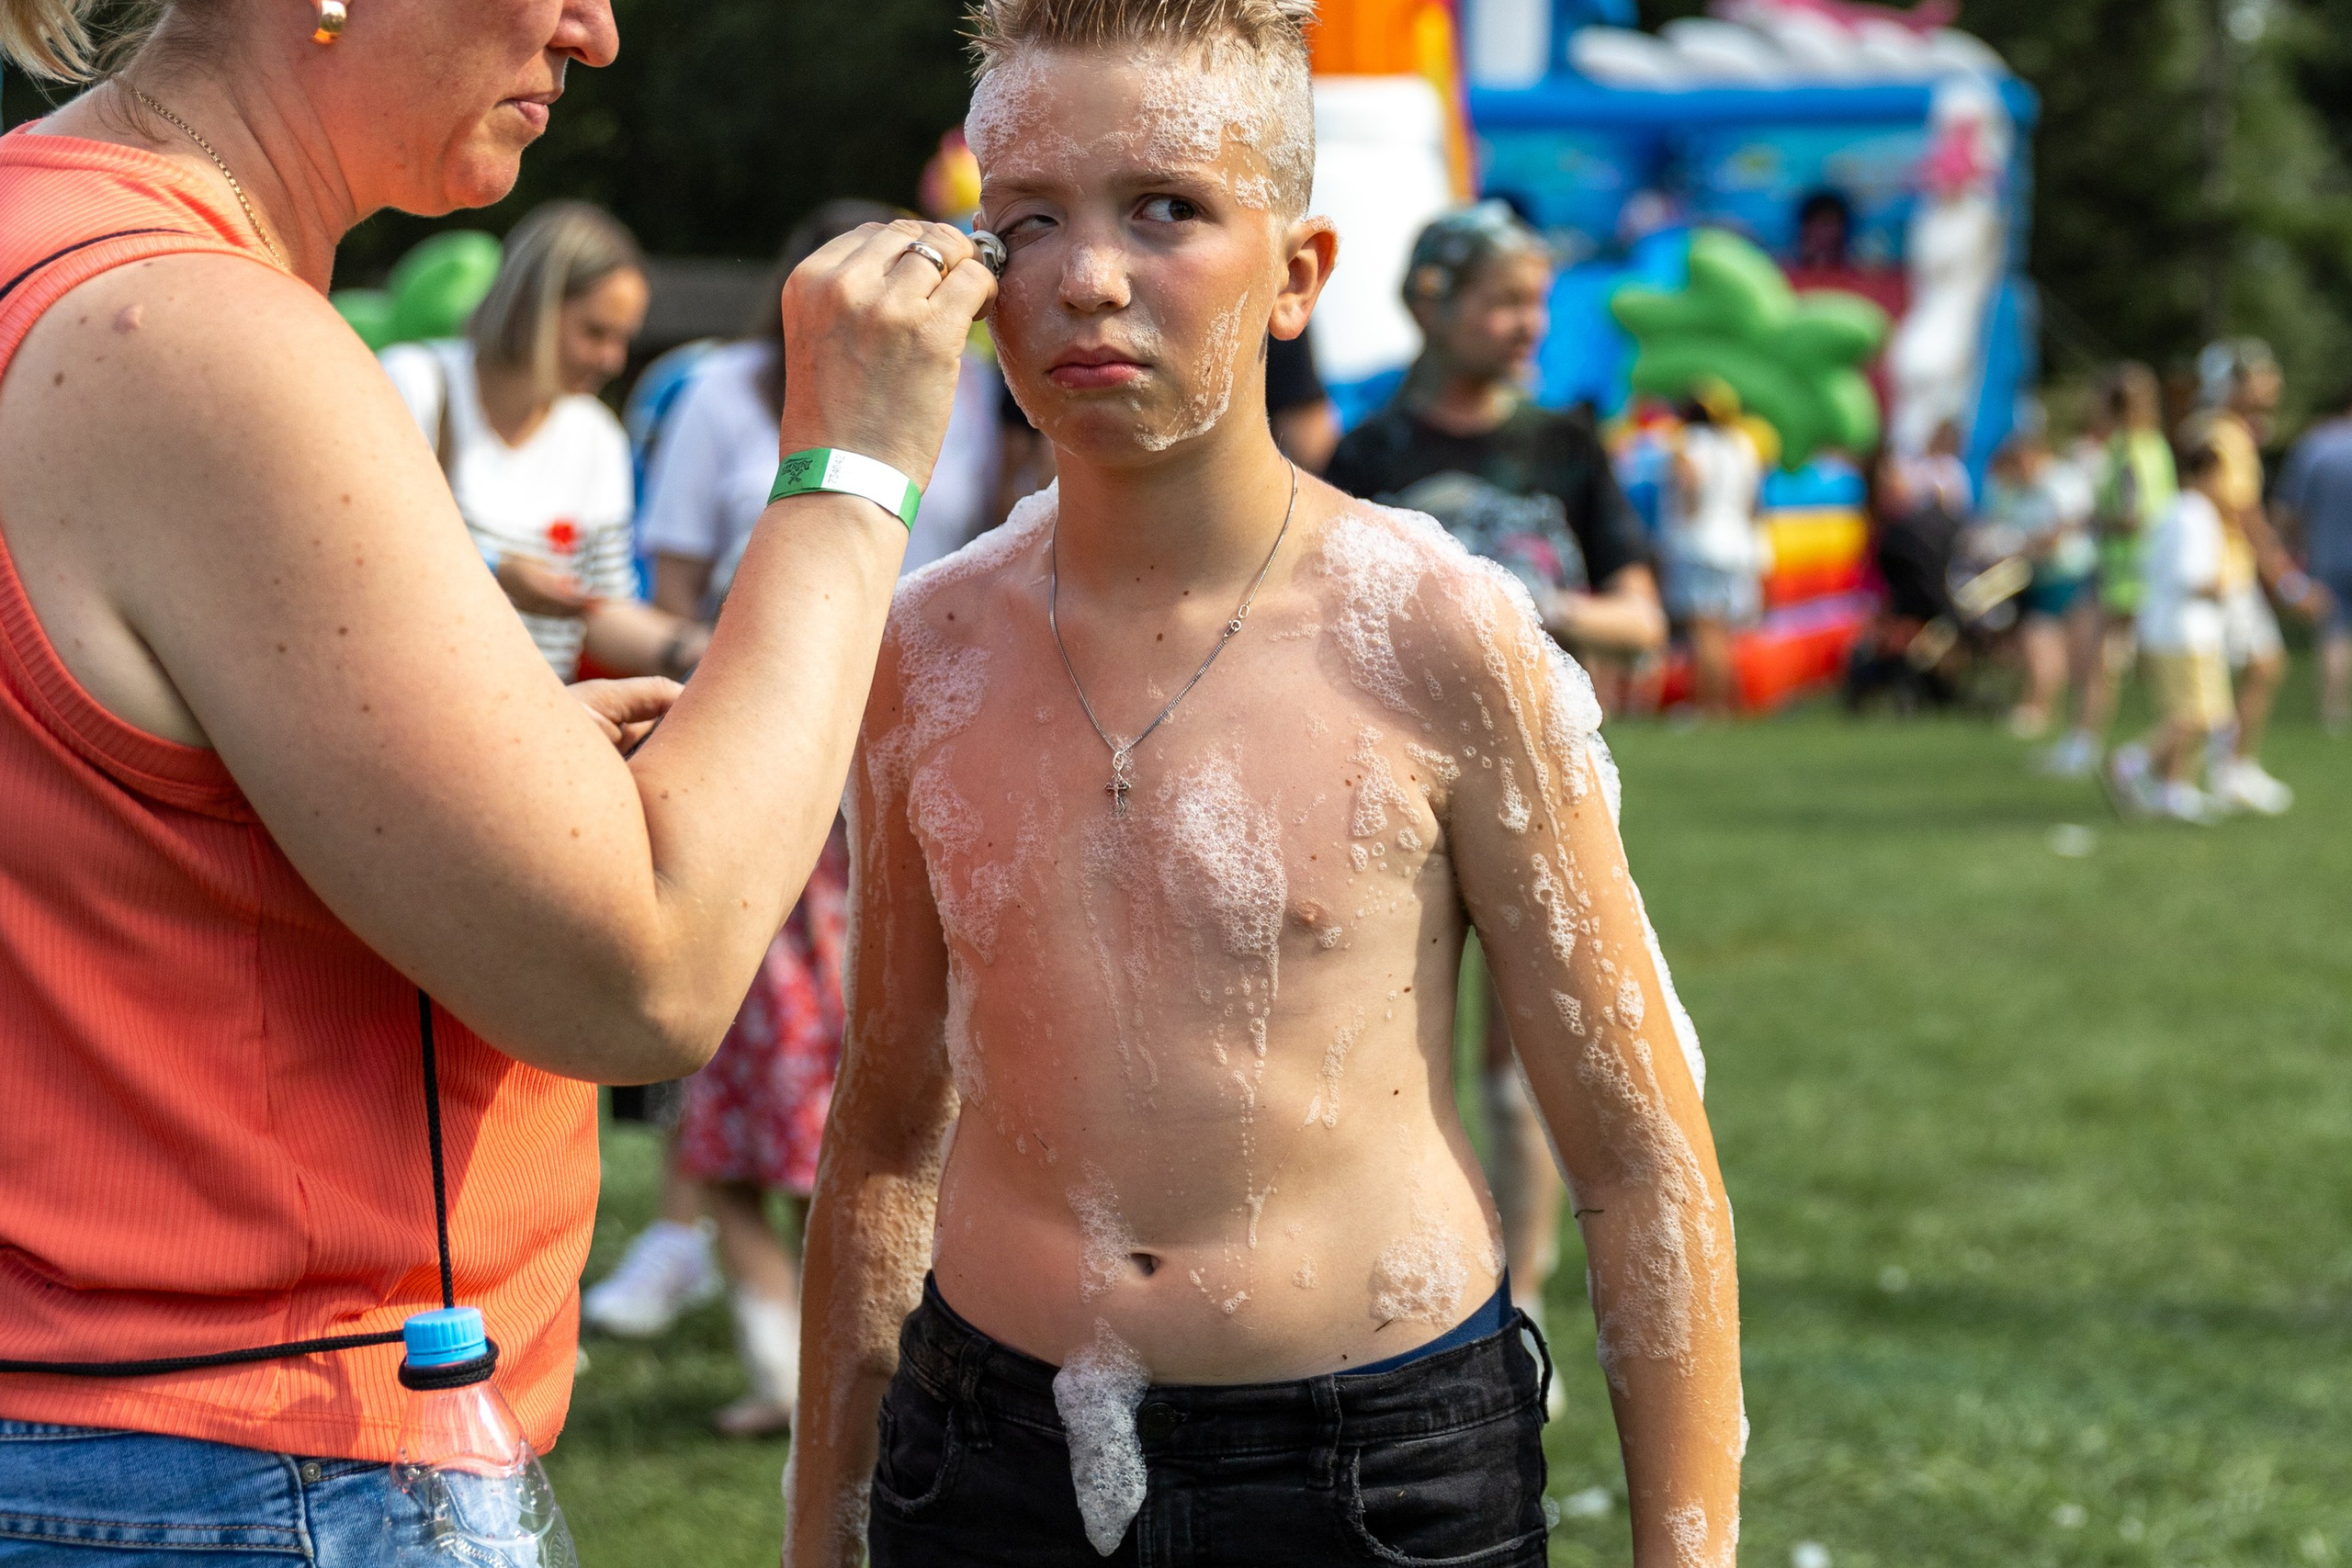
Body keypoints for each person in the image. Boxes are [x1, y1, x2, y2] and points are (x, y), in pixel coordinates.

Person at [0, 0, 992, 1547]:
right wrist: (852, 465)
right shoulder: (187, 331)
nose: (597, 32)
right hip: (253, 1449)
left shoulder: (43, 242)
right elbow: (644, 971)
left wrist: (484, 773)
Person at [786, 2, 1743, 1562]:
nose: (1089, 277)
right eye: (1030, 221)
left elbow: (1641, 1162)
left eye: (1166, 208)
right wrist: (818, 1535)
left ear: (1299, 273)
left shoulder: (1439, 636)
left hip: (1377, 1470)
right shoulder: (924, 652)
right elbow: (885, 1135)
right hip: (988, 1456)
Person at [1324, 202, 1668, 705]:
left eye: (1538, 302)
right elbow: (1327, 621)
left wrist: (1531, 609)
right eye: (1507, 303)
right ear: (1431, 307)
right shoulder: (1368, 454)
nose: (1531, 325)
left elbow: (1643, 622)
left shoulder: (1565, 443)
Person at [380, 199, 703, 682]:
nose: (612, 360)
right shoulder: (416, 383)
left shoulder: (596, 434)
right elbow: (369, 549)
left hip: (539, 707)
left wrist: (692, 650)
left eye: (623, 339)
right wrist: (499, 572)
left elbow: (603, 611)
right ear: (530, 306)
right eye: (595, 332)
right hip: (415, 693)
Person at [642, 201, 1008, 617]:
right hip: (772, 645)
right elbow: (674, 583)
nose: (869, 313)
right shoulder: (723, 385)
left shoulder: (974, 382)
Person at [2188, 340, 2302, 815]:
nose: (2272, 383)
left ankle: (2229, 765)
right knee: (2247, 670)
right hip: (2224, 574)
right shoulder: (2223, 434)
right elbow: (2242, 510)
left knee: (2254, 668)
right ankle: (2223, 768)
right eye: (2261, 375)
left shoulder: (2228, 431)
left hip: (2229, 573)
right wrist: (2283, 574)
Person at [2108, 443, 2234, 823]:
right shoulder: (2196, 514)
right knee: (2198, 716)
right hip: (2186, 631)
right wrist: (2221, 587)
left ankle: (2174, 790)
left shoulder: (2169, 510)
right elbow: (2191, 575)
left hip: (2164, 626)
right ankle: (2132, 763)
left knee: (2190, 713)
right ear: (2208, 474)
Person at [2075, 364, 2177, 762]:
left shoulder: (2130, 449)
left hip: (2132, 570)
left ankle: (2085, 742)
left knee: (2104, 660)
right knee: (2142, 662)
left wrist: (2095, 520)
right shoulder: (2149, 445)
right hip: (2141, 567)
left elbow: (2134, 515)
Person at [1982, 427, 2097, 746]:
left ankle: (2042, 709)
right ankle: (2040, 707)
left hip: (2070, 573)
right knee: (2040, 642)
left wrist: (2032, 544)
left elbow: (2068, 526)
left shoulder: (2062, 481)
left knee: (2050, 644)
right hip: (2038, 575)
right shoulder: (2016, 491)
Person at [1661, 384, 1767, 718]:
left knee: (1703, 629)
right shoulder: (1743, 446)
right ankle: (1726, 703)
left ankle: (1707, 706)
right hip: (1740, 545)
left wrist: (1683, 520)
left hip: (1701, 545)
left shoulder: (1689, 444)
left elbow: (1688, 485)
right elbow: (1755, 501)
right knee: (1724, 633)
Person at [2272, 386, 2352, 735]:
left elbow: (2288, 509)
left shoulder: (2316, 445)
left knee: (2333, 632)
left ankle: (2334, 711)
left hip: (2328, 554)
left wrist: (2287, 550)